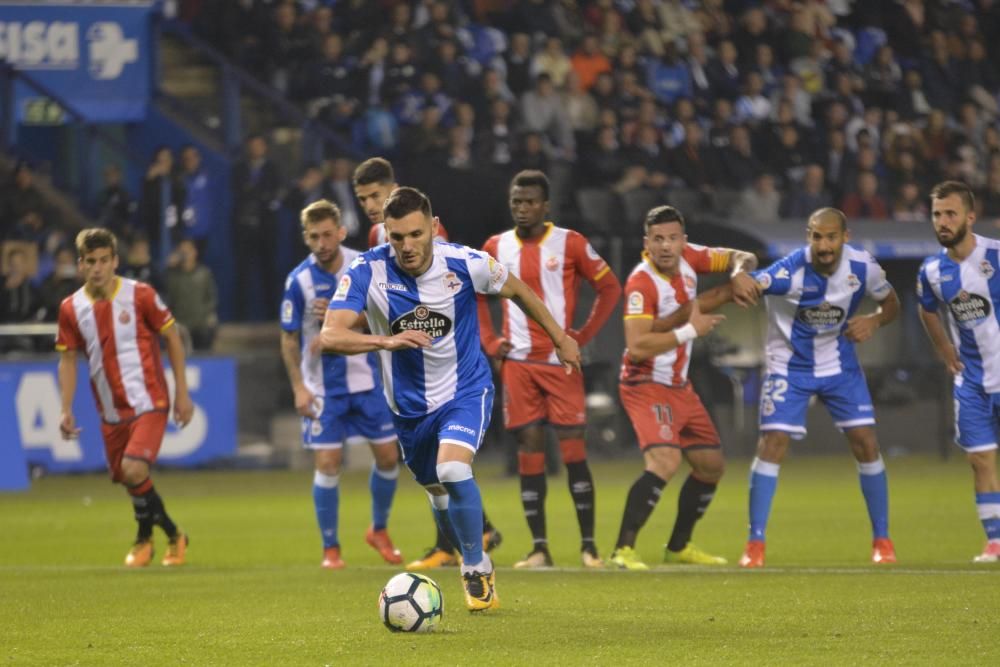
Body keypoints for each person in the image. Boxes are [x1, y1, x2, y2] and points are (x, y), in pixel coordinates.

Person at [321, 186, 581, 611]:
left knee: (452, 467)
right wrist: (386, 341)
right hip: (408, 409)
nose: (406, 246)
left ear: (433, 227)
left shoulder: (465, 262)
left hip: (466, 389)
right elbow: (330, 335)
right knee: (437, 492)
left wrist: (560, 338)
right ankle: (464, 547)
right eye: (397, 237)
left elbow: (520, 291)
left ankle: (476, 568)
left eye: (415, 234)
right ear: (385, 234)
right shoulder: (368, 270)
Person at [352, 157, 502, 571]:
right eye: (363, 198)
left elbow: (448, 295)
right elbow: (386, 302)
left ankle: (459, 550)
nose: (369, 205)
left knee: (450, 466)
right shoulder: (376, 243)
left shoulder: (423, 236)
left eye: (376, 196)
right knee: (434, 476)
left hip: (448, 369)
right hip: (406, 376)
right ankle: (475, 533)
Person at [739, 207, 900, 568]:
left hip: (840, 367)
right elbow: (751, 284)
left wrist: (874, 321)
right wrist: (736, 277)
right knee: (772, 443)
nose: (823, 245)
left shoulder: (864, 267)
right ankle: (755, 544)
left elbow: (891, 303)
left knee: (866, 442)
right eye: (815, 236)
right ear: (807, 236)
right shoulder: (789, 270)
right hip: (788, 367)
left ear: (846, 237)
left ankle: (882, 540)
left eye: (830, 237)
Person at [478, 169, 621, 568]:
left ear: (545, 206)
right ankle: (540, 548)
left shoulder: (571, 243)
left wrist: (581, 335)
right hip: (519, 364)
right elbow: (473, 295)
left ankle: (589, 547)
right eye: (516, 202)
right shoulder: (495, 246)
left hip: (561, 365)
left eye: (529, 202)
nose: (522, 208)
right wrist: (491, 341)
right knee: (530, 451)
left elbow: (610, 288)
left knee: (575, 450)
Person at [610, 205, 760, 570]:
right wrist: (693, 330)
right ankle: (622, 550)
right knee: (665, 460)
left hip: (679, 385)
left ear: (683, 240)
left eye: (672, 238)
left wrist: (737, 275)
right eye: (658, 239)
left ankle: (678, 547)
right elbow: (638, 345)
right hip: (645, 382)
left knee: (710, 466)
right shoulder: (641, 283)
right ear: (647, 243)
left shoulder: (692, 258)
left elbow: (744, 256)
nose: (666, 246)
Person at [56, 228, 193, 567]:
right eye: (91, 262)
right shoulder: (71, 308)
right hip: (111, 411)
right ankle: (160, 537)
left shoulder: (141, 295)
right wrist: (65, 409)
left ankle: (157, 537)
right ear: (81, 265)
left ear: (116, 261)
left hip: (150, 400)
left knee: (133, 469)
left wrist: (182, 393)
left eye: (105, 260)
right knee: (128, 478)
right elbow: (68, 359)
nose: (99, 268)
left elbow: (172, 338)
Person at [280, 199, 403, 570]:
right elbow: (288, 338)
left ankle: (378, 529)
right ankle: (331, 549)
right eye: (314, 236)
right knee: (329, 463)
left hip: (369, 381)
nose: (322, 242)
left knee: (388, 457)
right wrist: (299, 388)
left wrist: (347, 321)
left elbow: (388, 315)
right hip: (323, 389)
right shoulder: (298, 281)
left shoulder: (364, 265)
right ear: (306, 237)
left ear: (341, 232)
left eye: (327, 234)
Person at [916, 181, 1000, 563]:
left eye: (950, 213)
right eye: (937, 214)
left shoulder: (995, 256)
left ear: (970, 215)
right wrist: (944, 348)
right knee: (979, 459)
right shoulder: (932, 270)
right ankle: (995, 542)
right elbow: (926, 308)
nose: (943, 221)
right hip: (972, 381)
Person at [165, 239, 218, 351]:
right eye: (182, 251)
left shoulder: (204, 273)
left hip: (200, 324)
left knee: (211, 325)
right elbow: (166, 297)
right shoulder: (172, 275)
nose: (185, 254)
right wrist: (168, 267)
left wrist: (203, 315)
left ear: (195, 252)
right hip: (180, 324)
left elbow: (211, 299)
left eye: (188, 250)